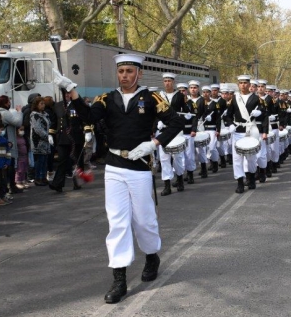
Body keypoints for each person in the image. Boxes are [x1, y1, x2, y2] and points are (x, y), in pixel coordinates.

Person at [65, 53, 185, 304]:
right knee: (117, 221)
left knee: (144, 220)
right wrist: (73, 94)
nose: (125, 76)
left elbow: (175, 123)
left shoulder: (152, 98)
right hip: (114, 166)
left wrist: (154, 144)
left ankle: (152, 255)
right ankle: (119, 277)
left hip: (140, 166)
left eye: (130, 71)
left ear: (139, 73)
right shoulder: (106, 99)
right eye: (121, 72)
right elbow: (88, 117)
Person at [225, 75, 267, 193]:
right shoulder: (235, 98)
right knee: (237, 158)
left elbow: (264, 114)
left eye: (245, 83)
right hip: (238, 130)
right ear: (238, 85)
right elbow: (228, 115)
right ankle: (240, 182)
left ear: (249, 85)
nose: (243, 85)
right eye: (241, 83)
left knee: (252, 157)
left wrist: (260, 112)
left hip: (251, 130)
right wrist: (230, 124)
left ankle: (252, 178)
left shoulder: (256, 99)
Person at [156, 73, 188, 195]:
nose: (167, 83)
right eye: (165, 81)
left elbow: (185, 110)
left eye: (169, 81)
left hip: (176, 130)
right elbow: (155, 112)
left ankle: (179, 178)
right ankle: (167, 185)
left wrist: (187, 116)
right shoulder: (159, 95)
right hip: (163, 129)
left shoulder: (179, 95)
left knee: (178, 157)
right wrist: (157, 122)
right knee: (164, 159)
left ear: (173, 82)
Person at [49, 90, 85, 193]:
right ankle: (58, 184)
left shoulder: (78, 104)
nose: (67, 95)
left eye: (69, 93)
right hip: (62, 138)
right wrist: (50, 134)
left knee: (77, 160)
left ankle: (78, 181)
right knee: (62, 161)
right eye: (65, 94)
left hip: (75, 137)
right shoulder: (58, 106)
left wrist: (87, 131)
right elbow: (54, 121)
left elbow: (85, 119)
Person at [0, 95, 25, 194]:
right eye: (8, 102)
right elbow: (18, 122)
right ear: (5, 103)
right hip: (8, 142)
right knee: (10, 165)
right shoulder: (5, 113)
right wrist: (19, 111)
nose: (9, 103)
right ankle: (11, 186)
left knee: (3, 166)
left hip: (0, 142)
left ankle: (6, 186)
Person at [29, 96, 52, 187]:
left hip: (46, 140)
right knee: (39, 160)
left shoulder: (45, 114)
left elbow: (49, 124)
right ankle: (38, 178)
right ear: (36, 105)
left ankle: (43, 177)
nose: (43, 105)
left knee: (45, 160)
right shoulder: (34, 115)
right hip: (38, 141)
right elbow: (37, 128)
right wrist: (46, 136)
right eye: (41, 104)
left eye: (43, 103)